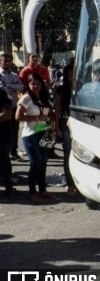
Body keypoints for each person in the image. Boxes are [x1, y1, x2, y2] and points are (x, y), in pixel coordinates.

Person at [15, 72, 55, 204]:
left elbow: (51, 113)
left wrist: (51, 122)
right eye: (32, 83)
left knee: (43, 162)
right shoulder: (26, 98)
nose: (35, 86)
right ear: (28, 84)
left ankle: (42, 190)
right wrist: (36, 118)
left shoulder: (44, 98)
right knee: (35, 163)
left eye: (38, 83)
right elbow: (18, 117)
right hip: (30, 135)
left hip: (43, 132)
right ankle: (32, 192)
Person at [54, 64, 77, 195]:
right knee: (68, 154)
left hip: (79, 123)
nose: (71, 78)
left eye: (74, 75)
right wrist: (56, 127)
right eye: (69, 75)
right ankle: (70, 184)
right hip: (65, 123)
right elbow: (56, 110)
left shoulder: (81, 88)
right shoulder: (60, 90)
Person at [0, 53, 25, 160]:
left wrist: (8, 86)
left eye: (8, 61)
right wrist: (13, 88)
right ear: (0, 61)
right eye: (4, 61)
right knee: (4, 129)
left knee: (15, 129)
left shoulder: (14, 75)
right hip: (2, 107)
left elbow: (21, 86)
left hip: (14, 105)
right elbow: (1, 88)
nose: (6, 63)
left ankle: (13, 151)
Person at [0, 87, 14, 197]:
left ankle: (8, 186)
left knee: (4, 160)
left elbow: (7, 113)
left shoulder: (2, 93)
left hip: (3, 134)